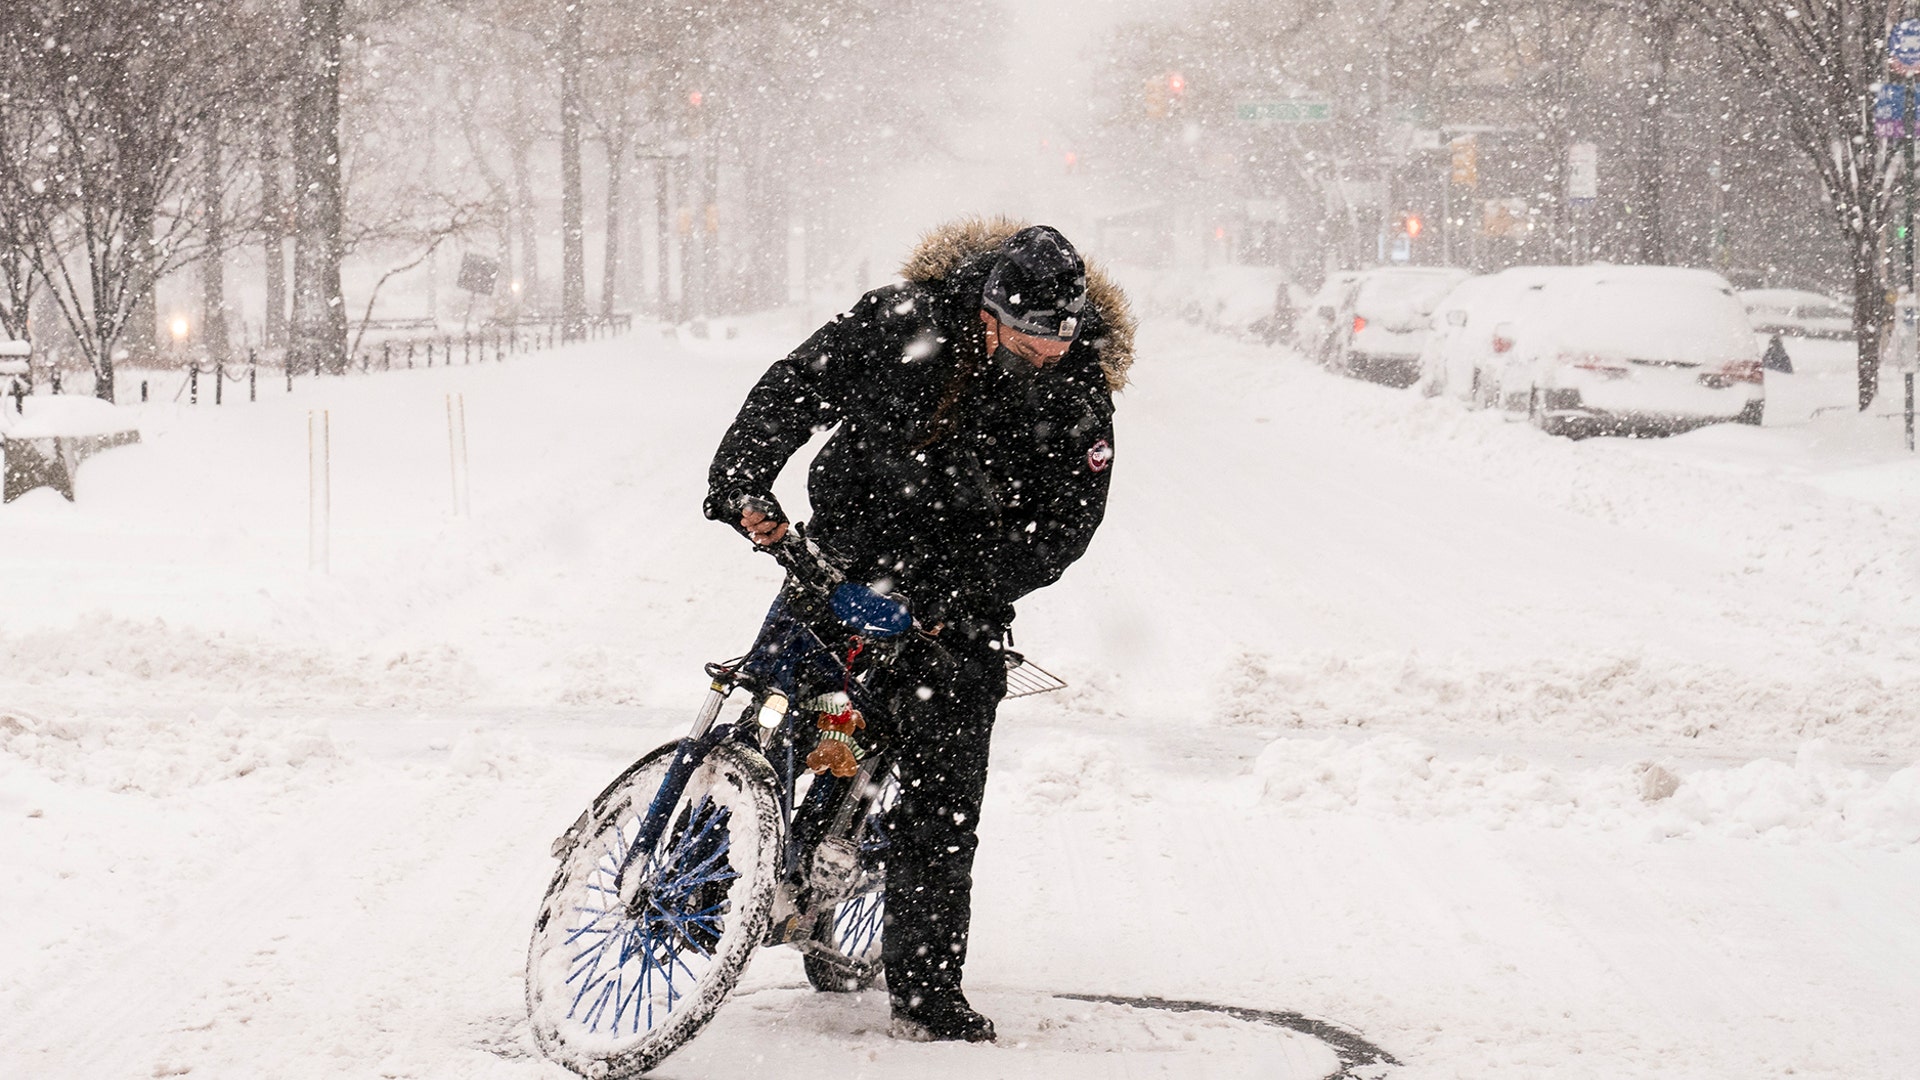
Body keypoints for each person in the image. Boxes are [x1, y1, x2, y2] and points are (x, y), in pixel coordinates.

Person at [704, 218, 1134, 1043]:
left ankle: (928, 996)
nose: (1048, 350)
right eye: (1031, 334)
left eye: (1063, 333)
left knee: (941, 798)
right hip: (847, 555)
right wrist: (742, 476)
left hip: (957, 603)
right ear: (986, 309)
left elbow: (1065, 527)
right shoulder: (903, 322)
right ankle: (701, 890)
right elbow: (797, 386)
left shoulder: (1079, 391)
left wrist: (957, 594)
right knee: (777, 717)